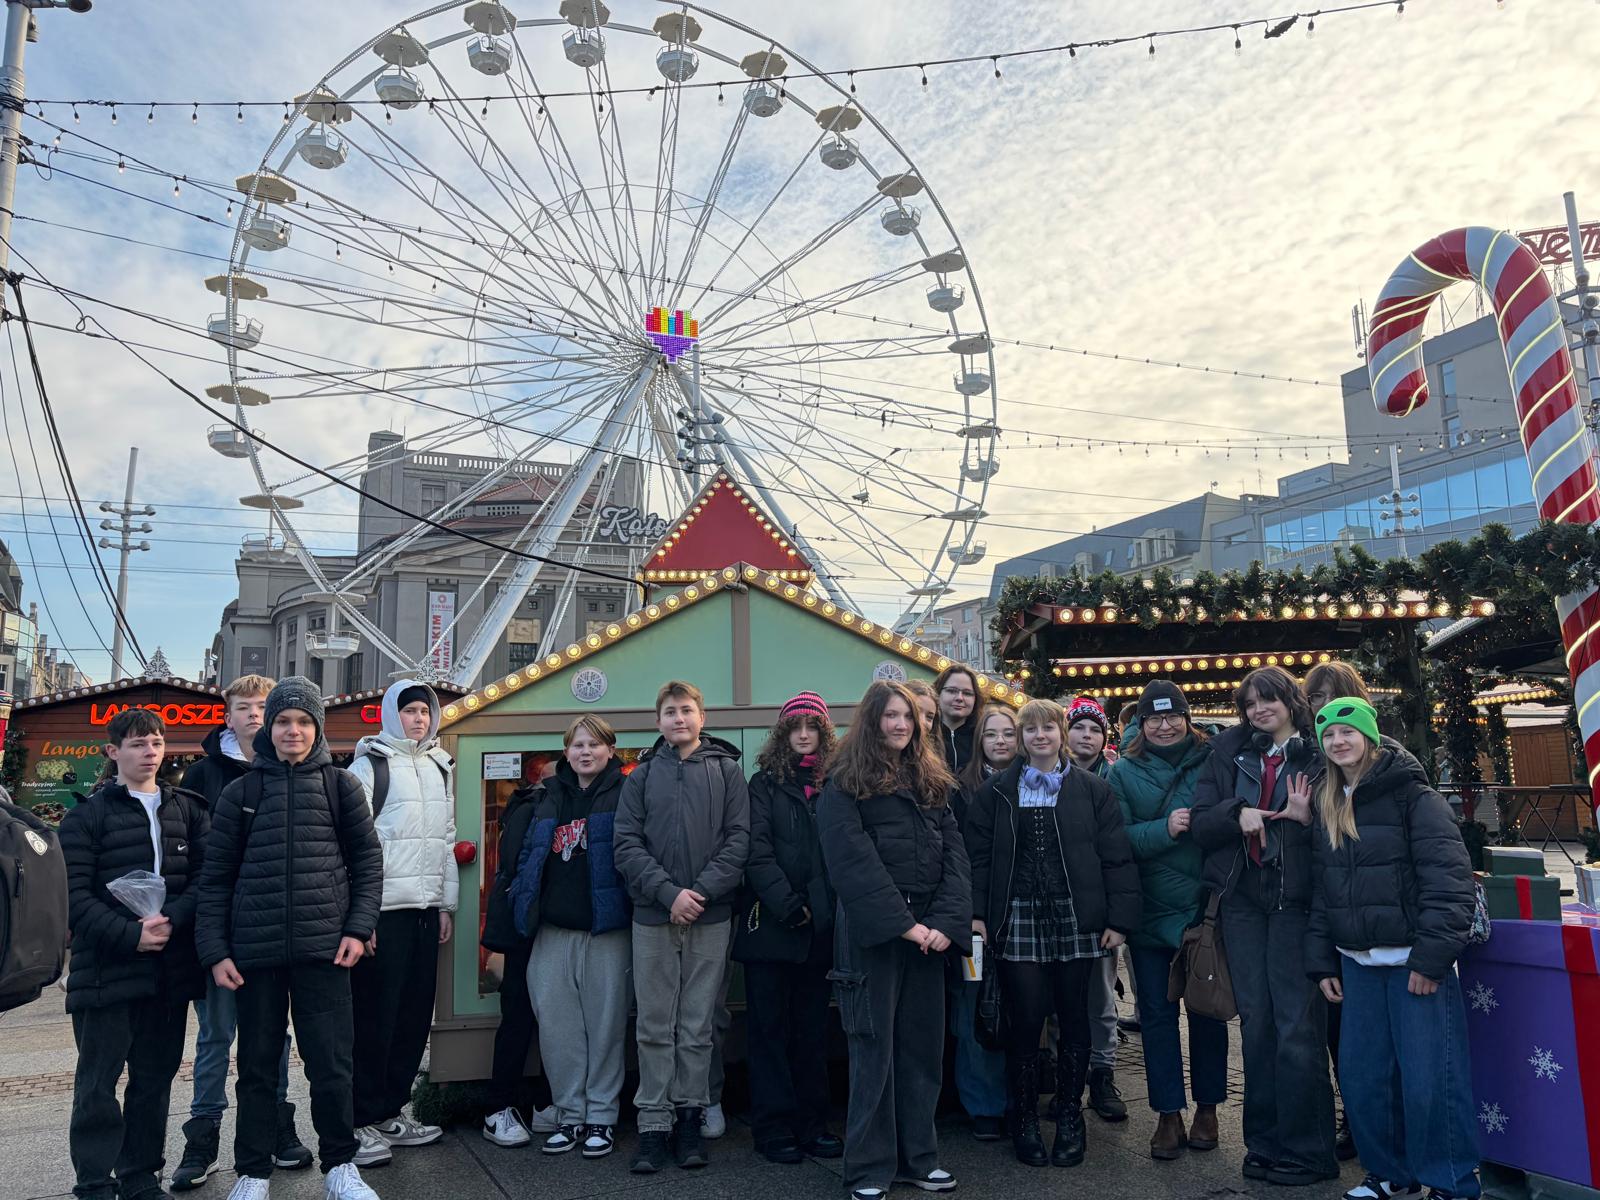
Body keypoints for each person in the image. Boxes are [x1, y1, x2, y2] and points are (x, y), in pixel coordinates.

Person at [196, 676, 386, 1200]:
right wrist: (215, 951)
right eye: (283, 720)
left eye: (303, 721)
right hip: (254, 956)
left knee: (332, 1066)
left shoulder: (341, 787)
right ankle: (253, 1172)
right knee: (256, 1068)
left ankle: (341, 1166)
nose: (293, 730)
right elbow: (216, 878)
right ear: (270, 728)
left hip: (325, 950)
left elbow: (368, 862)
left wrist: (358, 927)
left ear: (317, 728)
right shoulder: (241, 792)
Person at [1308, 698, 1479, 1200]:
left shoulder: (1414, 796)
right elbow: (1323, 890)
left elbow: (1449, 882)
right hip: (1357, 964)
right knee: (1364, 1079)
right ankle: (1389, 1174)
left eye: (1347, 731)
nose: (1338, 741)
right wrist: (1322, 960)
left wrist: (1431, 958)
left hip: (1412, 964)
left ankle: (1452, 1182)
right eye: (1328, 734)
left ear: (1368, 735)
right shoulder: (1328, 800)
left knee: (1431, 1080)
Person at [965, 698, 1139, 1170]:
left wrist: (1118, 920)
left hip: (1075, 914)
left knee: (1075, 1016)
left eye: (1048, 727)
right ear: (1021, 737)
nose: (1039, 735)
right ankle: (1023, 1118)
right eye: (1030, 729)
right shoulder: (997, 790)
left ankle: (1069, 1116)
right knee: (1025, 1019)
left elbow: (1115, 856)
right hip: (1017, 913)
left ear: (1061, 733)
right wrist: (978, 913)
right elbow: (978, 858)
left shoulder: (1092, 789)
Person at [818, 680, 971, 1200]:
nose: (902, 724)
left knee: (922, 1052)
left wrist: (943, 925)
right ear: (871, 721)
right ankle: (868, 1168)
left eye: (908, 715)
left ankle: (919, 1159)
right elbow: (851, 862)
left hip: (929, 935)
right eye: (890, 715)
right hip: (874, 935)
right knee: (873, 1053)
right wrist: (905, 925)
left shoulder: (932, 780)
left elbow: (955, 858)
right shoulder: (844, 783)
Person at [1191, 665, 1337, 1187]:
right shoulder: (1228, 753)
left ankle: (1309, 1150)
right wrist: (1236, 812)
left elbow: (1345, 829)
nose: (1259, 710)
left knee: (1297, 1026)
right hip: (1243, 903)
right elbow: (1201, 820)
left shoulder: (1318, 753)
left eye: (1268, 699)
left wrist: (1307, 819)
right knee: (1256, 1024)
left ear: (1291, 701)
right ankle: (1264, 1141)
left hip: (1295, 903)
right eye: (1250, 703)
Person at [61, 708, 209, 1200]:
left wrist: (173, 920)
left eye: (157, 742)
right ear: (113, 751)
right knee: (97, 1083)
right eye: (138, 743)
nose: (150, 752)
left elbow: (207, 879)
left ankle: (141, 1176)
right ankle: (94, 1182)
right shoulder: (87, 816)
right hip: (105, 970)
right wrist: (130, 935)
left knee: (154, 1080)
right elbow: (72, 895)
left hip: (168, 970)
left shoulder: (187, 809)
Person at [173, 674, 311, 1191]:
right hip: (220, 927)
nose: (254, 714)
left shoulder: (294, 770)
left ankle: (277, 1123)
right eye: (244, 707)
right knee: (215, 1036)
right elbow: (191, 856)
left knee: (274, 1035)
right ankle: (203, 1134)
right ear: (227, 716)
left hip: (273, 929)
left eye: (262, 706)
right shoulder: (202, 775)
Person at [614, 681, 750, 1174]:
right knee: (653, 1025)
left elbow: (739, 840)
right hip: (653, 915)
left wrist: (700, 893)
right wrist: (669, 894)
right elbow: (626, 843)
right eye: (670, 712)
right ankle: (654, 1123)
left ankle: (691, 1116)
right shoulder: (640, 777)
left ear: (701, 717)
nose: (679, 719)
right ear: (658, 722)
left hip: (710, 916)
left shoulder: (727, 772)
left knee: (697, 1026)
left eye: (687, 710)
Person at [1107, 681, 1227, 1160]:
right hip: (1150, 911)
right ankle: (1167, 1112)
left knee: (1207, 1011)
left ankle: (1209, 1108)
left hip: (1202, 912)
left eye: (1172, 716)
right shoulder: (1123, 771)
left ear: (1186, 717)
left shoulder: (1214, 758)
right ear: (1141, 723)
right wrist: (1165, 828)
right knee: (1157, 1016)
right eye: (1154, 718)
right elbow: (1116, 840)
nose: (1164, 725)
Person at [505, 715, 633, 1159]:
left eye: (595, 744)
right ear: (567, 751)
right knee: (558, 1030)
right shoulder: (548, 796)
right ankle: (569, 1114)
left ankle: (601, 1117)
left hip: (606, 930)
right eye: (578, 745)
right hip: (553, 930)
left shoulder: (626, 793)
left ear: (610, 750)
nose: (586, 752)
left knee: (605, 1028)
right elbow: (529, 854)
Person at [346, 681, 459, 1166]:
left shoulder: (440, 766)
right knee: (373, 1019)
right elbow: (353, 845)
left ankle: (389, 1111)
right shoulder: (368, 767)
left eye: (425, 711)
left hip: (424, 912)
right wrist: (361, 916)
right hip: (383, 913)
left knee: (412, 1018)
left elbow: (447, 838)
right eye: (410, 710)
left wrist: (445, 904)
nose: (419, 719)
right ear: (392, 714)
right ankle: (358, 1119)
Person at [736, 692, 845, 1164]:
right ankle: (773, 1126)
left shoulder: (838, 783)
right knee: (768, 1031)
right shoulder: (764, 784)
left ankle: (812, 1123)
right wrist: (789, 903)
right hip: (771, 926)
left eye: (812, 727)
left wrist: (822, 907)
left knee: (811, 1031)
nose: (803, 735)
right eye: (795, 727)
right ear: (783, 734)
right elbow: (756, 850)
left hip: (820, 929)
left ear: (824, 733)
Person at [1302, 658, 1382, 1164]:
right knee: (1339, 1033)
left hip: (1379, 923)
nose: (1326, 709)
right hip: (1329, 914)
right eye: (1316, 700)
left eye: (1334, 697)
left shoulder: (1384, 762)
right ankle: (1354, 1117)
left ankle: (1378, 1128)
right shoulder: (1312, 765)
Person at [478, 768, 559, 1149]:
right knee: (524, 1015)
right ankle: (503, 1106)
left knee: (539, 1017)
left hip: (542, 924)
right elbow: (514, 866)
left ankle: (541, 1103)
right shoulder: (534, 806)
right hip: (529, 925)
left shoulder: (524, 804)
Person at [948, 705, 1016, 1141]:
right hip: (975, 917)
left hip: (1022, 916)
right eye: (991, 734)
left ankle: (1017, 1098)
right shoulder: (960, 789)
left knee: (1021, 1010)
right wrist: (972, 912)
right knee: (974, 1009)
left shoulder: (1034, 782)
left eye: (1008, 732)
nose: (1001, 741)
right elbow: (956, 856)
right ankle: (983, 1104)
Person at [1063, 696, 1128, 1125]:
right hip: (1056, 906)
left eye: (1094, 730)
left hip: (1099, 905)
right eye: (1079, 727)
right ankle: (1065, 1074)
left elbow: (1119, 852)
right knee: (1061, 998)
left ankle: (1103, 1073)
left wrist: (1117, 915)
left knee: (1101, 994)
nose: (1086, 736)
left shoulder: (1113, 779)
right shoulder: (1046, 774)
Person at [932, 666, 980, 771]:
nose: (959, 698)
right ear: (937, 694)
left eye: (967, 693)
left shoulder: (982, 738)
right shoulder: (924, 736)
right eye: (952, 691)